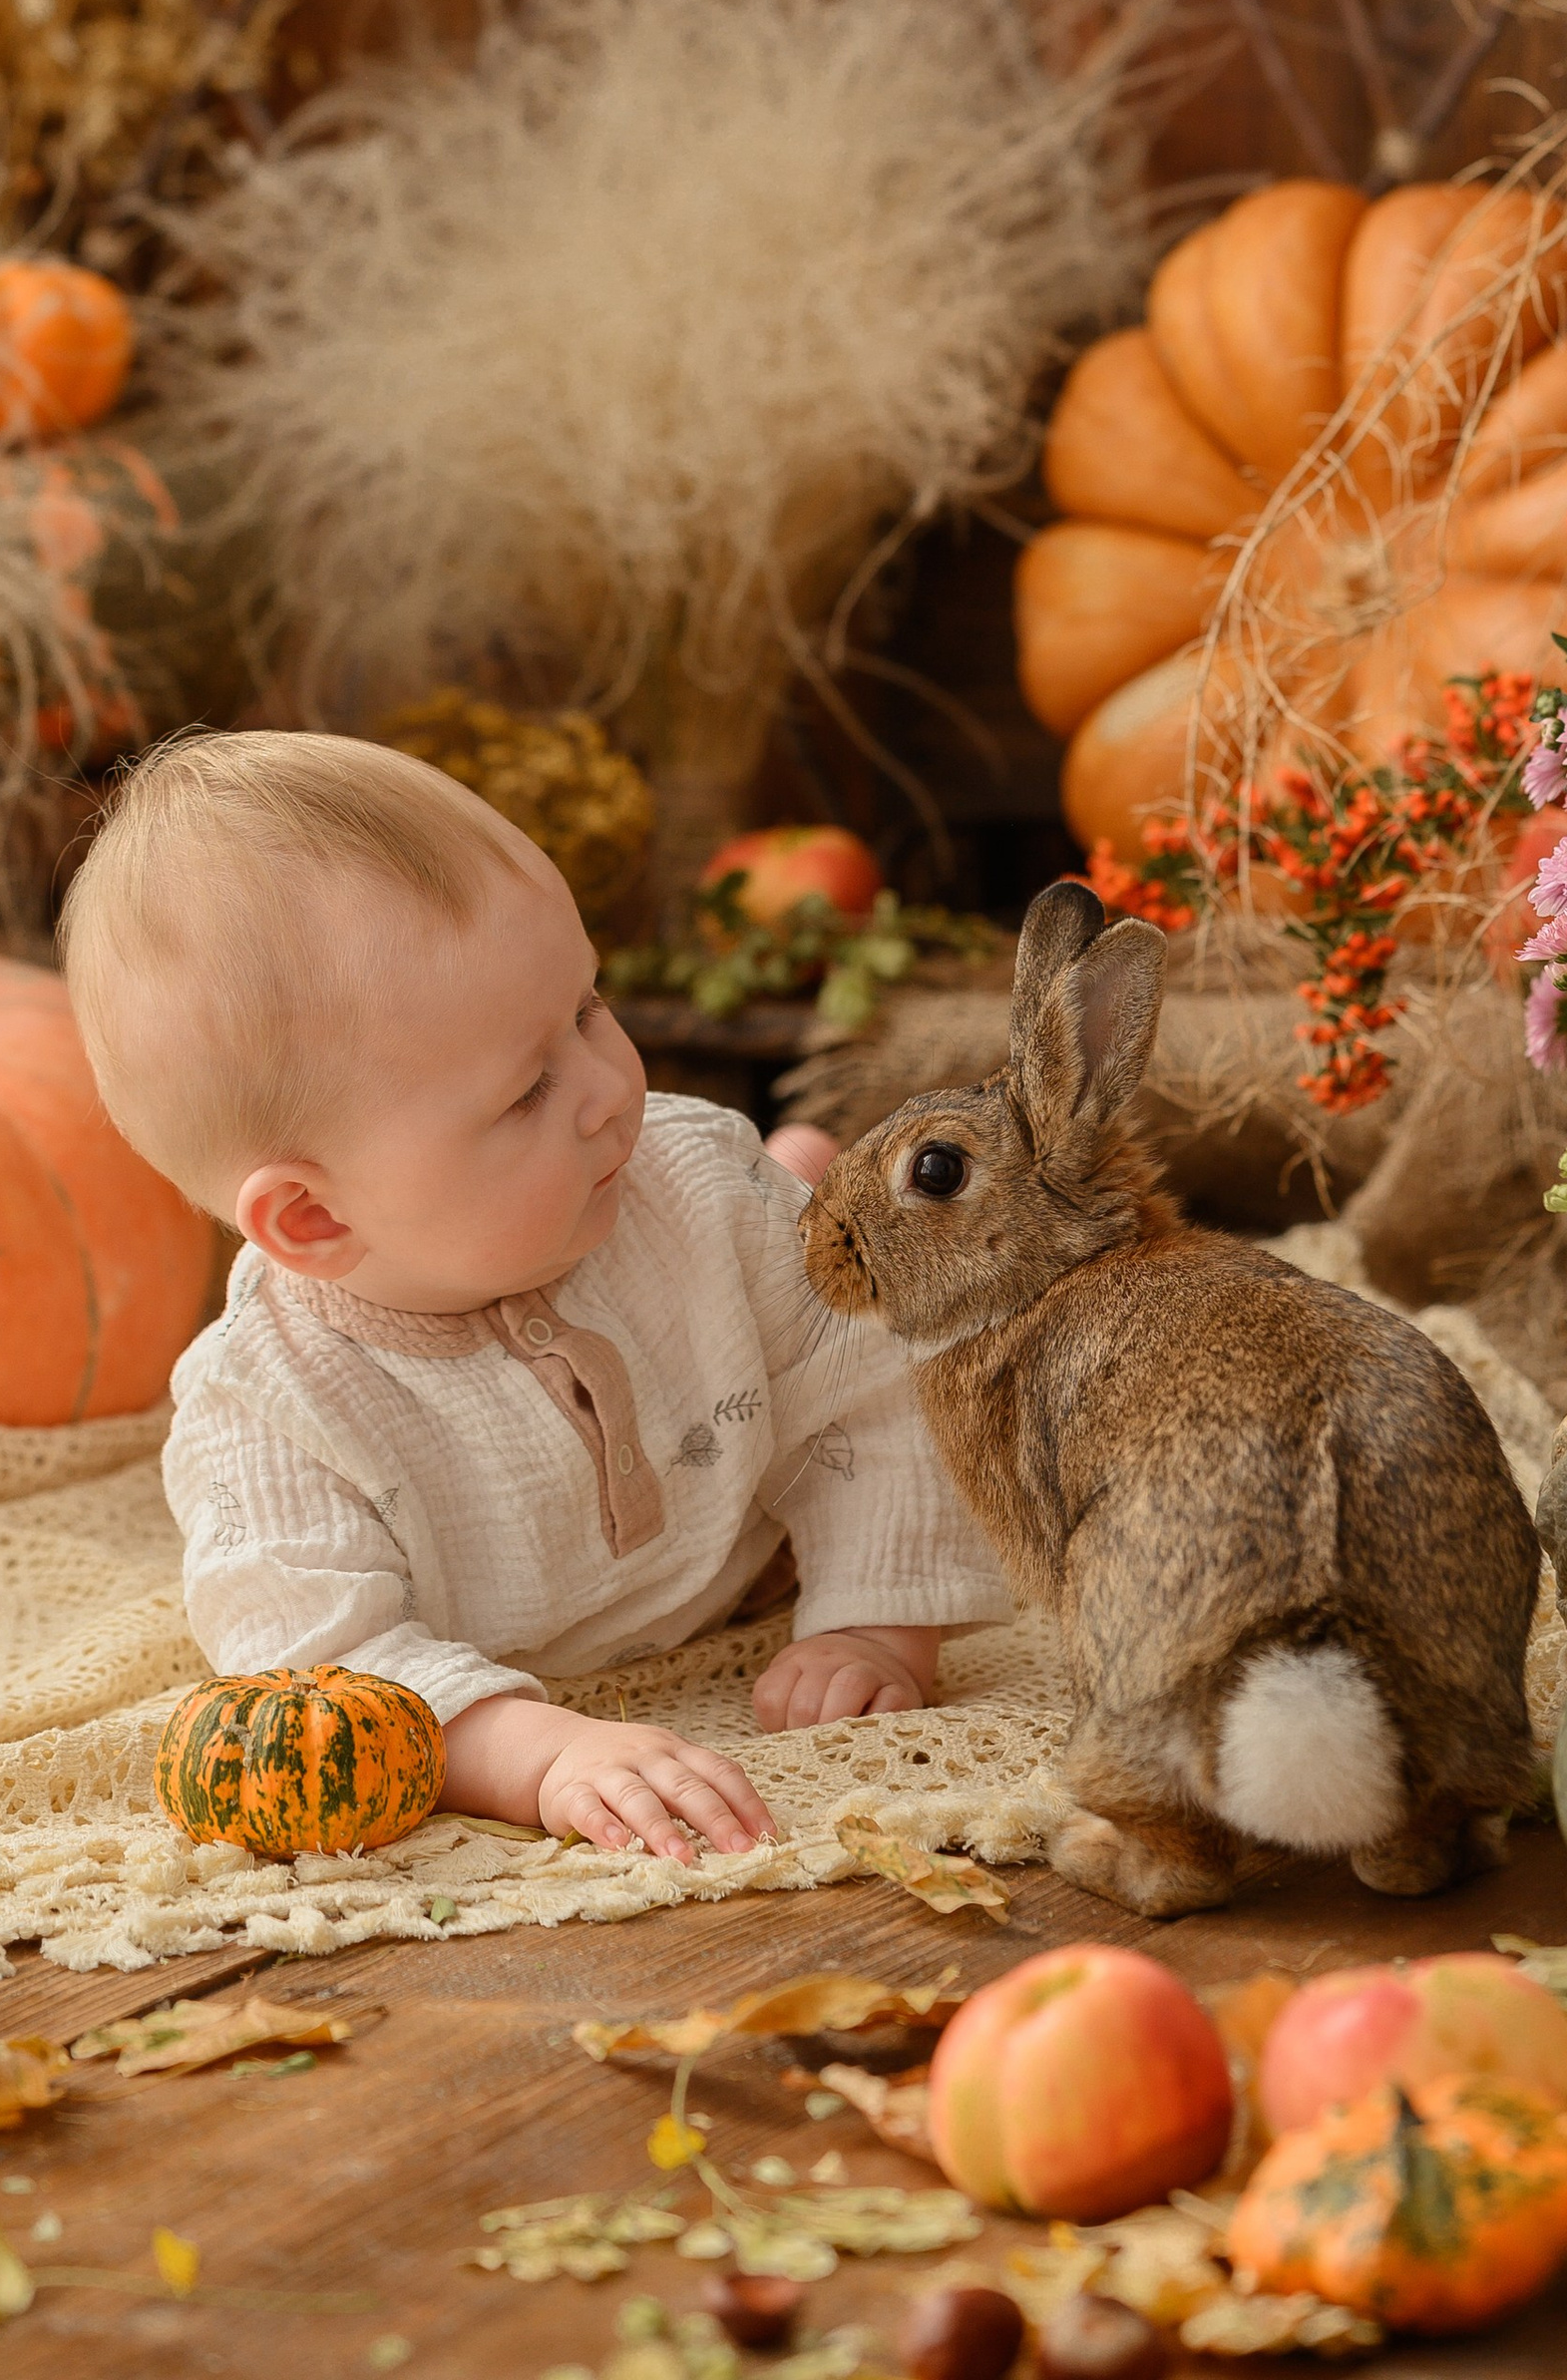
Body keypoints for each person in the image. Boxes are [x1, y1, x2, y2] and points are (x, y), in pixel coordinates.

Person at [61, 729, 1006, 1860]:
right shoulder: (265, 1411)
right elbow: (328, 1671)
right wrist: (542, 1751)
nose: (608, 1088)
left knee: (825, 1267)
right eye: (526, 1092)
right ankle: (803, 1165)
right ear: (314, 1219)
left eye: (589, 1007)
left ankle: (797, 1174)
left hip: (751, 1547)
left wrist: (875, 1624)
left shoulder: (692, 1184)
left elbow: (870, 1388)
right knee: (793, 1215)